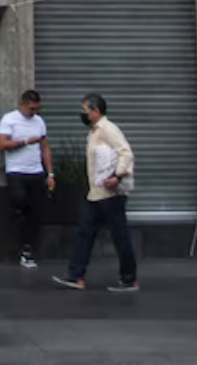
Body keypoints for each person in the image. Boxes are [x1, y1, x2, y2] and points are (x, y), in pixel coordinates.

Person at [53, 93, 138, 292]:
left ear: (96, 111)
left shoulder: (108, 129)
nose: (82, 113)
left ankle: (129, 279)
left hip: (111, 195)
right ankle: (76, 276)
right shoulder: (93, 131)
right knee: (85, 233)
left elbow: (126, 153)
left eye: (85, 110)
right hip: (96, 194)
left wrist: (117, 176)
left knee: (120, 236)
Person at [0, 90, 54, 268]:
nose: (34, 112)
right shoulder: (9, 119)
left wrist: (50, 173)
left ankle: (28, 249)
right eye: (31, 109)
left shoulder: (39, 122)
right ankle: (17, 243)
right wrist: (25, 142)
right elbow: (2, 144)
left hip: (36, 171)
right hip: (16, 171)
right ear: (23, 104)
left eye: (37, 109)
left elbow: (45, 148)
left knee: (35, 211)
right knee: (19, 201)